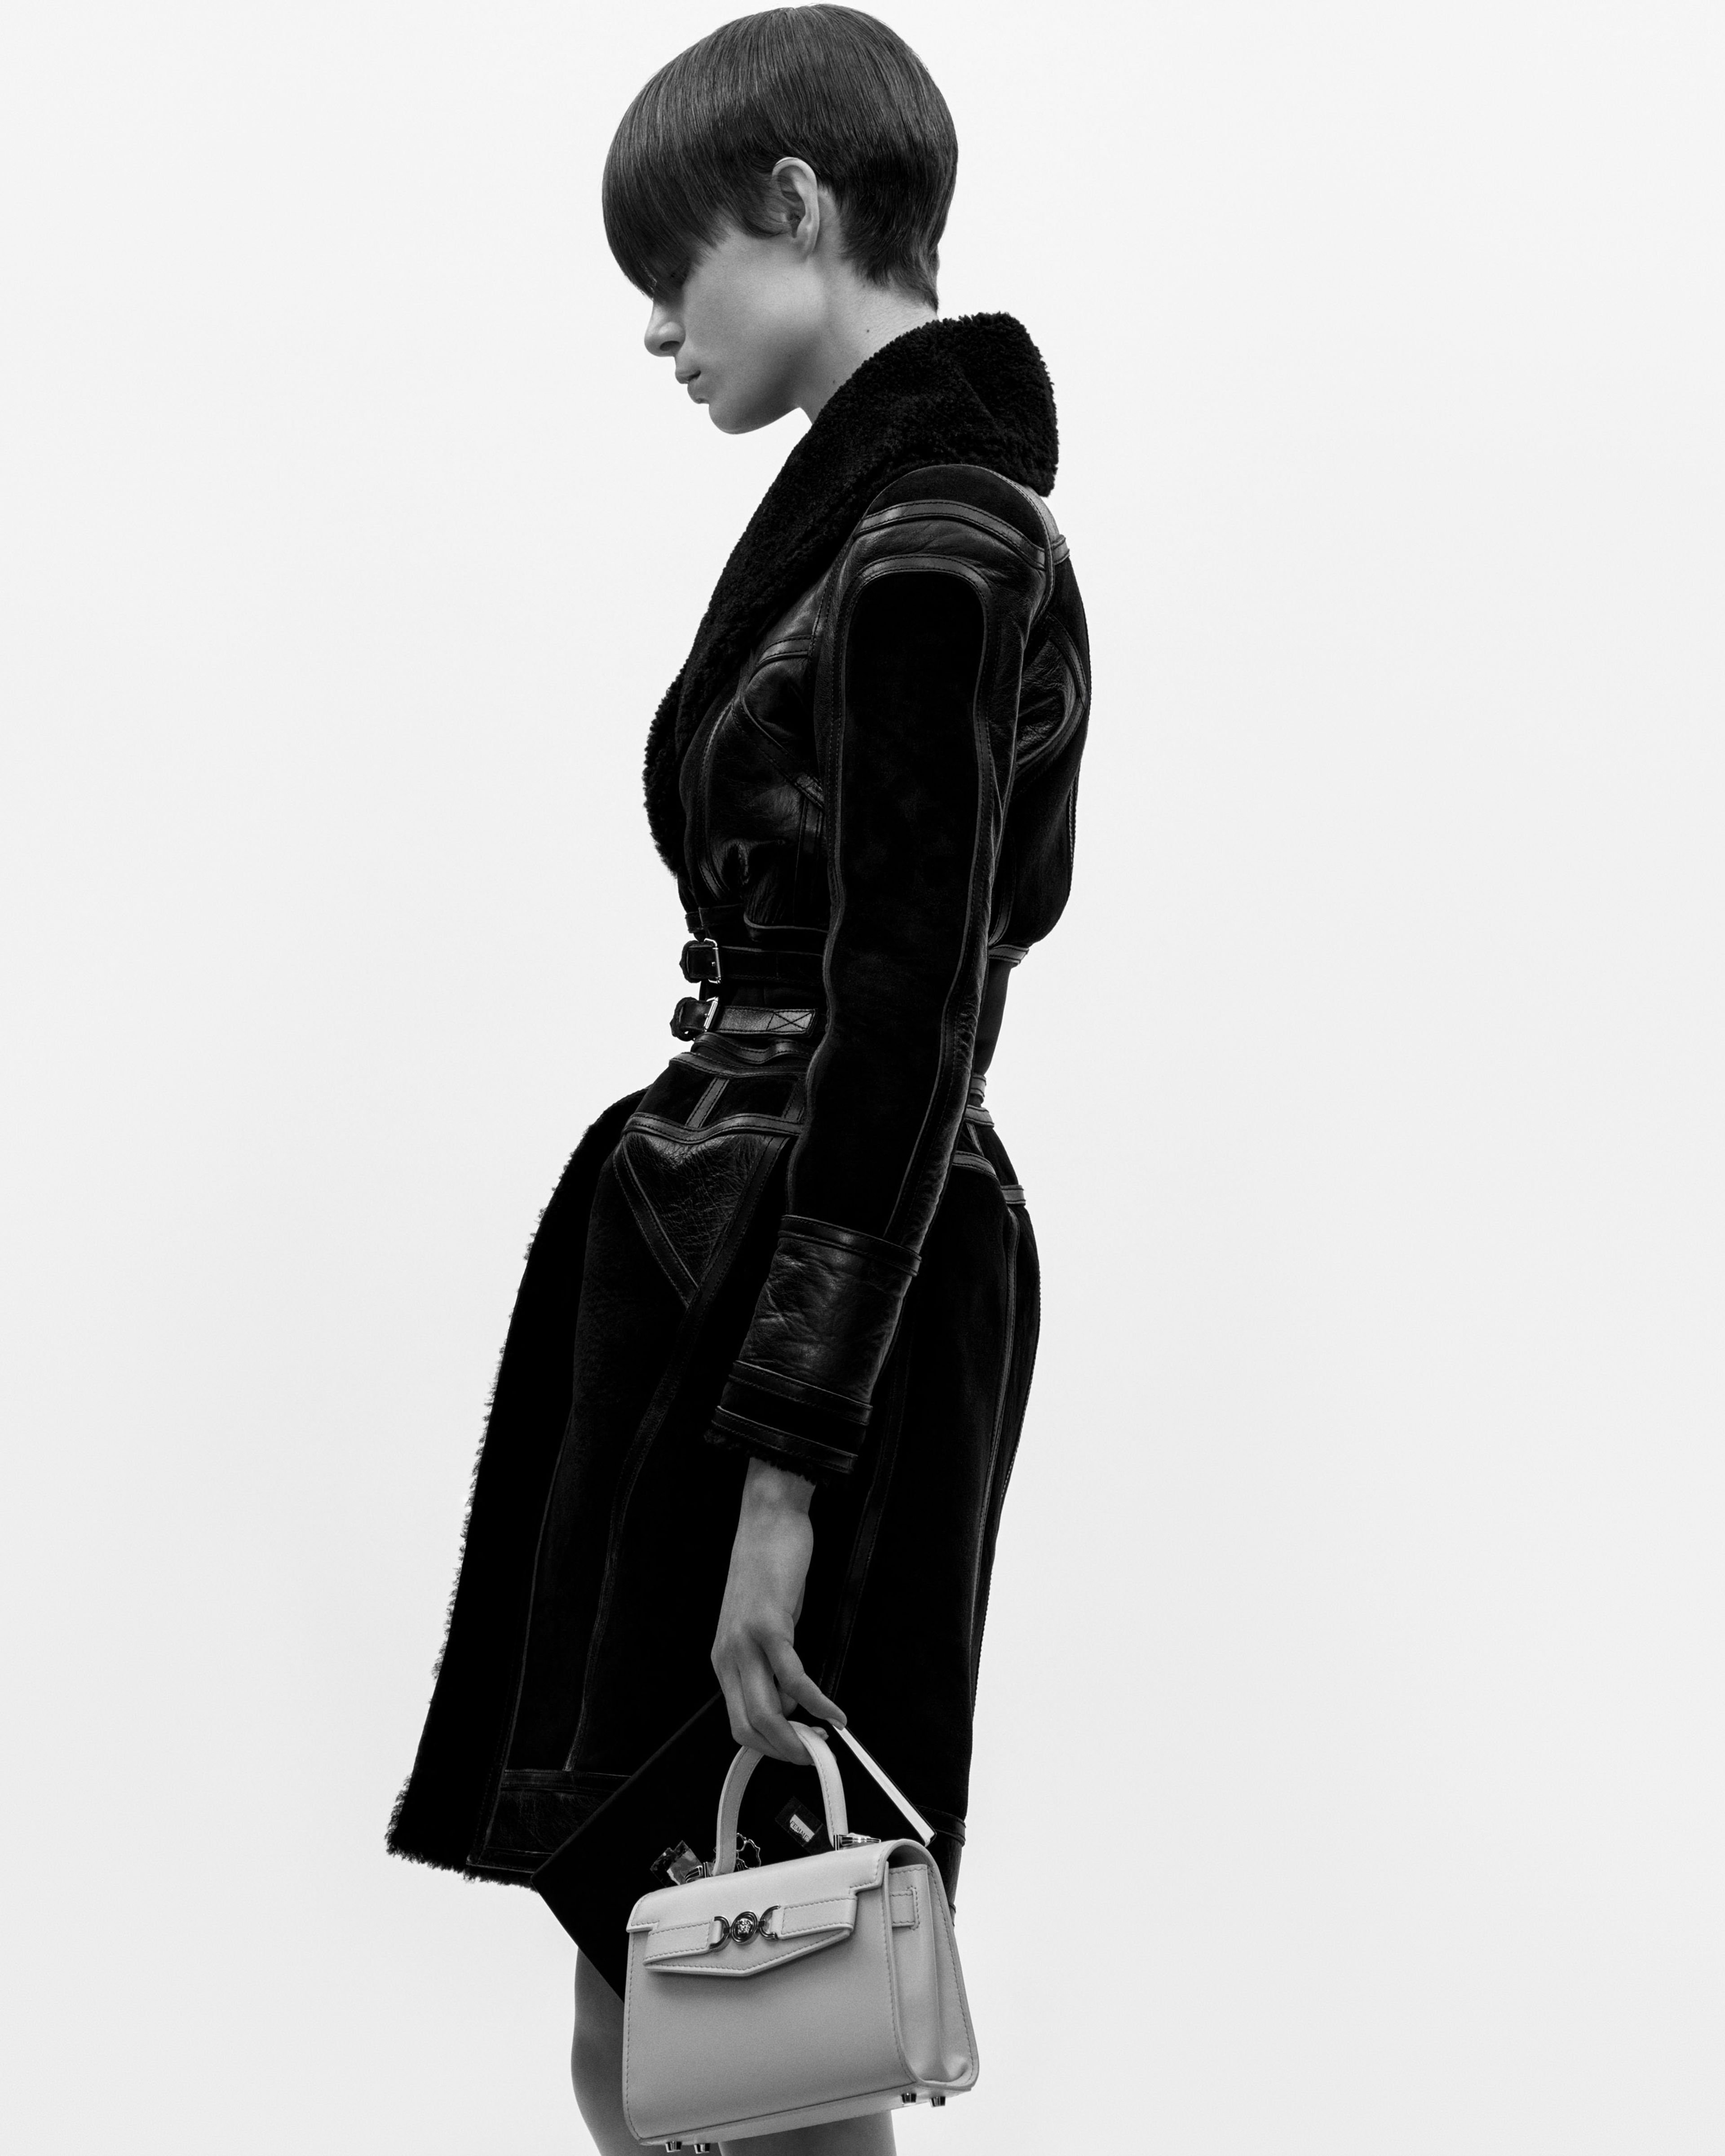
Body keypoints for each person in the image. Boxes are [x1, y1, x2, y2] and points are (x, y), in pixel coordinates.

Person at [386, 9, 1090, 2150]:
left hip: (822, 1294)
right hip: (738, 1255)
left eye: (667, 270)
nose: (653, 331)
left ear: (797, 203)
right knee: (660, 2004)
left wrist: (789, 1474)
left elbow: (909, 1011)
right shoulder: (880, 527)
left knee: (770, 2010)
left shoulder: (939, 544)